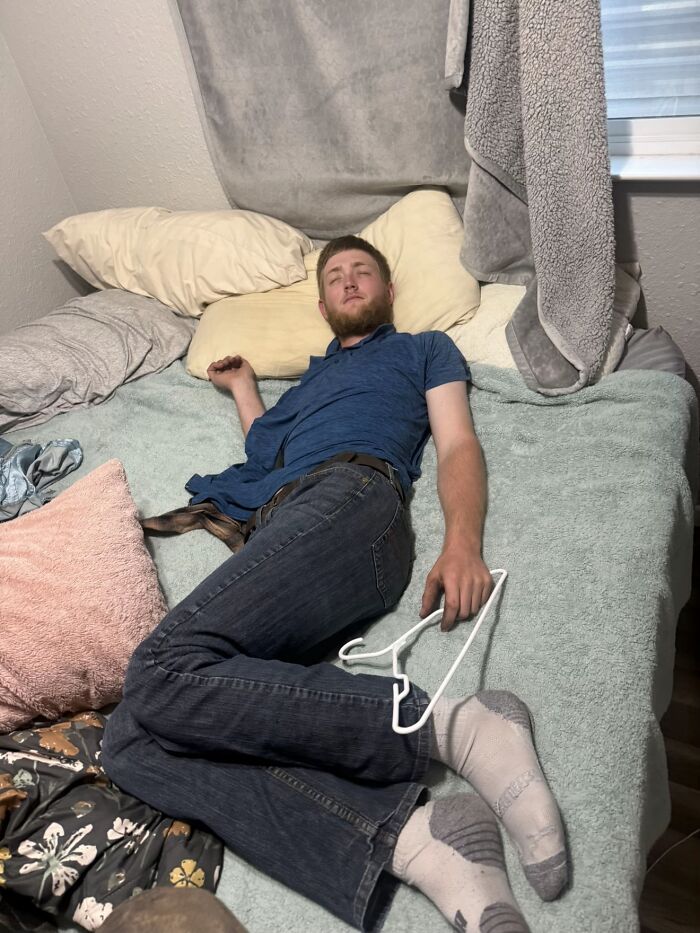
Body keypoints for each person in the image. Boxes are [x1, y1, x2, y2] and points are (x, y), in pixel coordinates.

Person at [102, 236, 568, 932]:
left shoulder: (423, 348)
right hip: (286, 520)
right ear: (321, 304)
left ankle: (460, 728)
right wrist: (244, 390)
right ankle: (417, 838)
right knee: (129, 739)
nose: (350, 282)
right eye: (336, 277)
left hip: (354, 501)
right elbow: (266, 451)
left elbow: (459, 441)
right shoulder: (309, 382)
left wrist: (461, 543)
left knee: (161, 669)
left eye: (364, 272)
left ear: (385, 293)